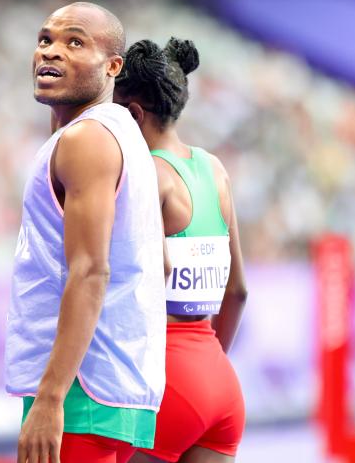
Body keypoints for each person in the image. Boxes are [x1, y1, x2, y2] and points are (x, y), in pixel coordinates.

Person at [4, 3, 166, 463]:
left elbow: (91, 271)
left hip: (79, 390)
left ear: (114, 66)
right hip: (104, 384)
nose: (51, 52)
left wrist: (51, 398)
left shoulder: (87, 140)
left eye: (75, 42)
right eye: (45, 40)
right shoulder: (120, 133)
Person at [114, 38, 248, 463]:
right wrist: (205, 365)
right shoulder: (215, 170)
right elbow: (238, 291)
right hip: (219, 379)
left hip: (164, 379)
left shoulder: (145, 174)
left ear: (133, 112)